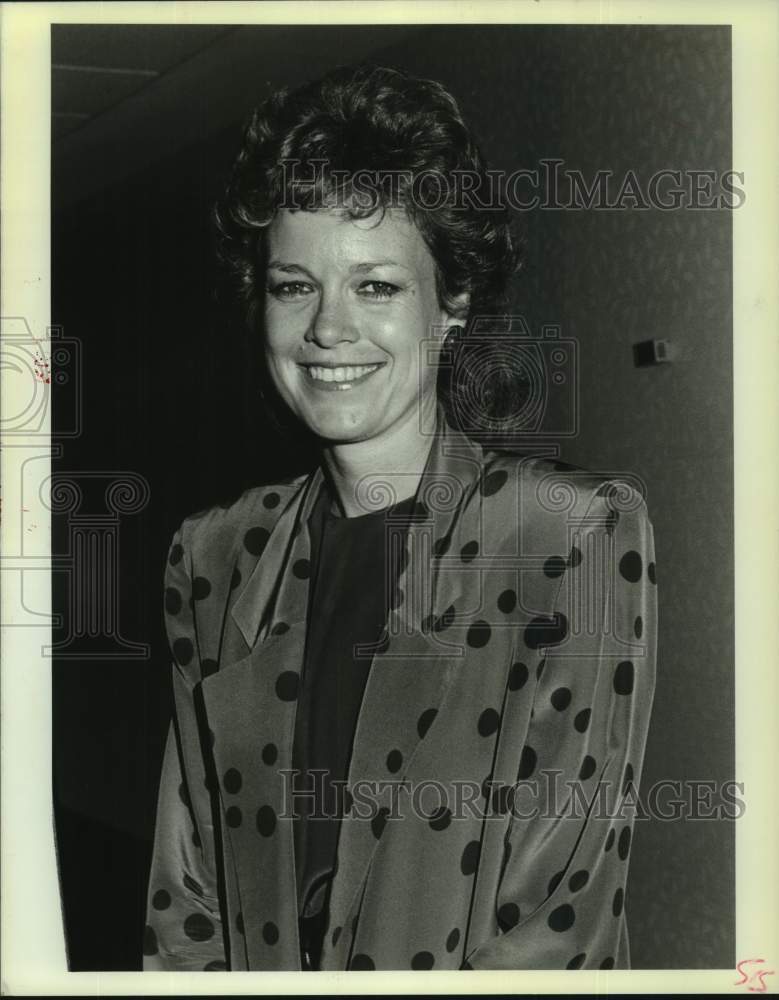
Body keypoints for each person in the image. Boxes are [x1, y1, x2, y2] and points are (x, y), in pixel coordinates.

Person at [143, 63, 657, 972]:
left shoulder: (566, 536)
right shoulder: (213, 554)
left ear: (450, 303)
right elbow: (185, 900)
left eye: (375, 286)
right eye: (293, 285)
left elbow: (560, 918)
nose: (328, 329)